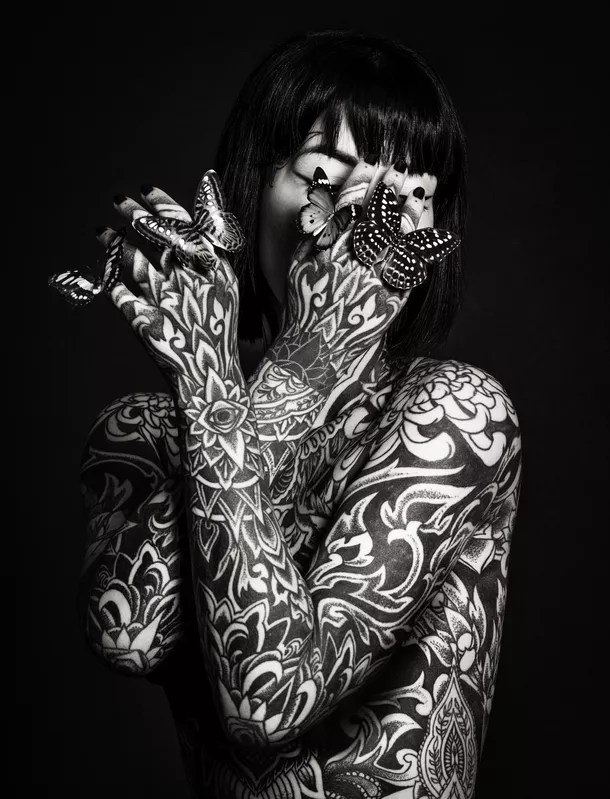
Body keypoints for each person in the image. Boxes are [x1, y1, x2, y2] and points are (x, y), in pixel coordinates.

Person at [73, 30, 522, 799]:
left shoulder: (455, 416)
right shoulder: (143, 429)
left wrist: (310, 361)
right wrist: (233, 378)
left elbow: (269, 697)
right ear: (254, 190)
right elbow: (131, 632)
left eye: (403, 189)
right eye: (325, 170)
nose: (358, 213)